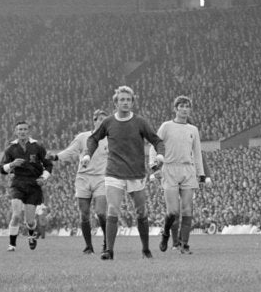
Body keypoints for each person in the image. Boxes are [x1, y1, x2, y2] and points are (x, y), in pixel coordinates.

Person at [83, 85, 165, 260]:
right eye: (122, 100)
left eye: (128, 100)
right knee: (112, 209)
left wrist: (160, 154)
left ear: (132, 102)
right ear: (116, 103)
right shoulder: (108, 122)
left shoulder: (140, 122)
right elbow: (93, 139)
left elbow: (157, 140)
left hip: (136, 173)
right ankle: (109, 251)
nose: (125, 102)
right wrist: (88, 154)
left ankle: (145, 249)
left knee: (141, 212)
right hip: (114, 172)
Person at [49, 109, 110, 254]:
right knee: (84, 214)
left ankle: (107, 242)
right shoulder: (83, 137)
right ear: (94, 121)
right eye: (100, 119)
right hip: (83, 178)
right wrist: (56, 157)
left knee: (101, 213)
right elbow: (70, 151)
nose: (103, 122)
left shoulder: (111, 139)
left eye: (105, 120)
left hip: (101, 178)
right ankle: (89, 246)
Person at [153, 95, 208, 255]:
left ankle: (184, 245)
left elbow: (197, 153)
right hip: (170, 169)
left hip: (187, 170)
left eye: (187, 106)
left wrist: (201, 174)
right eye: (181, 106)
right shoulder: (166, 126)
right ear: (175, 109)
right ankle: (166, 234)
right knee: (173, 212)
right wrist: (154, 166)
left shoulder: (193, 130)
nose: (184, 109)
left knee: (187, 209)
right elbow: (154, 145)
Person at [0, 121, 53, 252]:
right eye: (20, 129)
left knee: (30, 221)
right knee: (16, 214)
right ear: (16, 132)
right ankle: (12, 244)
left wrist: (43, 178)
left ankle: (31, 235)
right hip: (17, 183)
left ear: (29, 131)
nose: (22, 131)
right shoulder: (10, 148)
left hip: (33, 184)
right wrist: (12, 164)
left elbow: (48, 165)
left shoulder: (38, 146)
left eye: (24, 129)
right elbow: (1, 169)